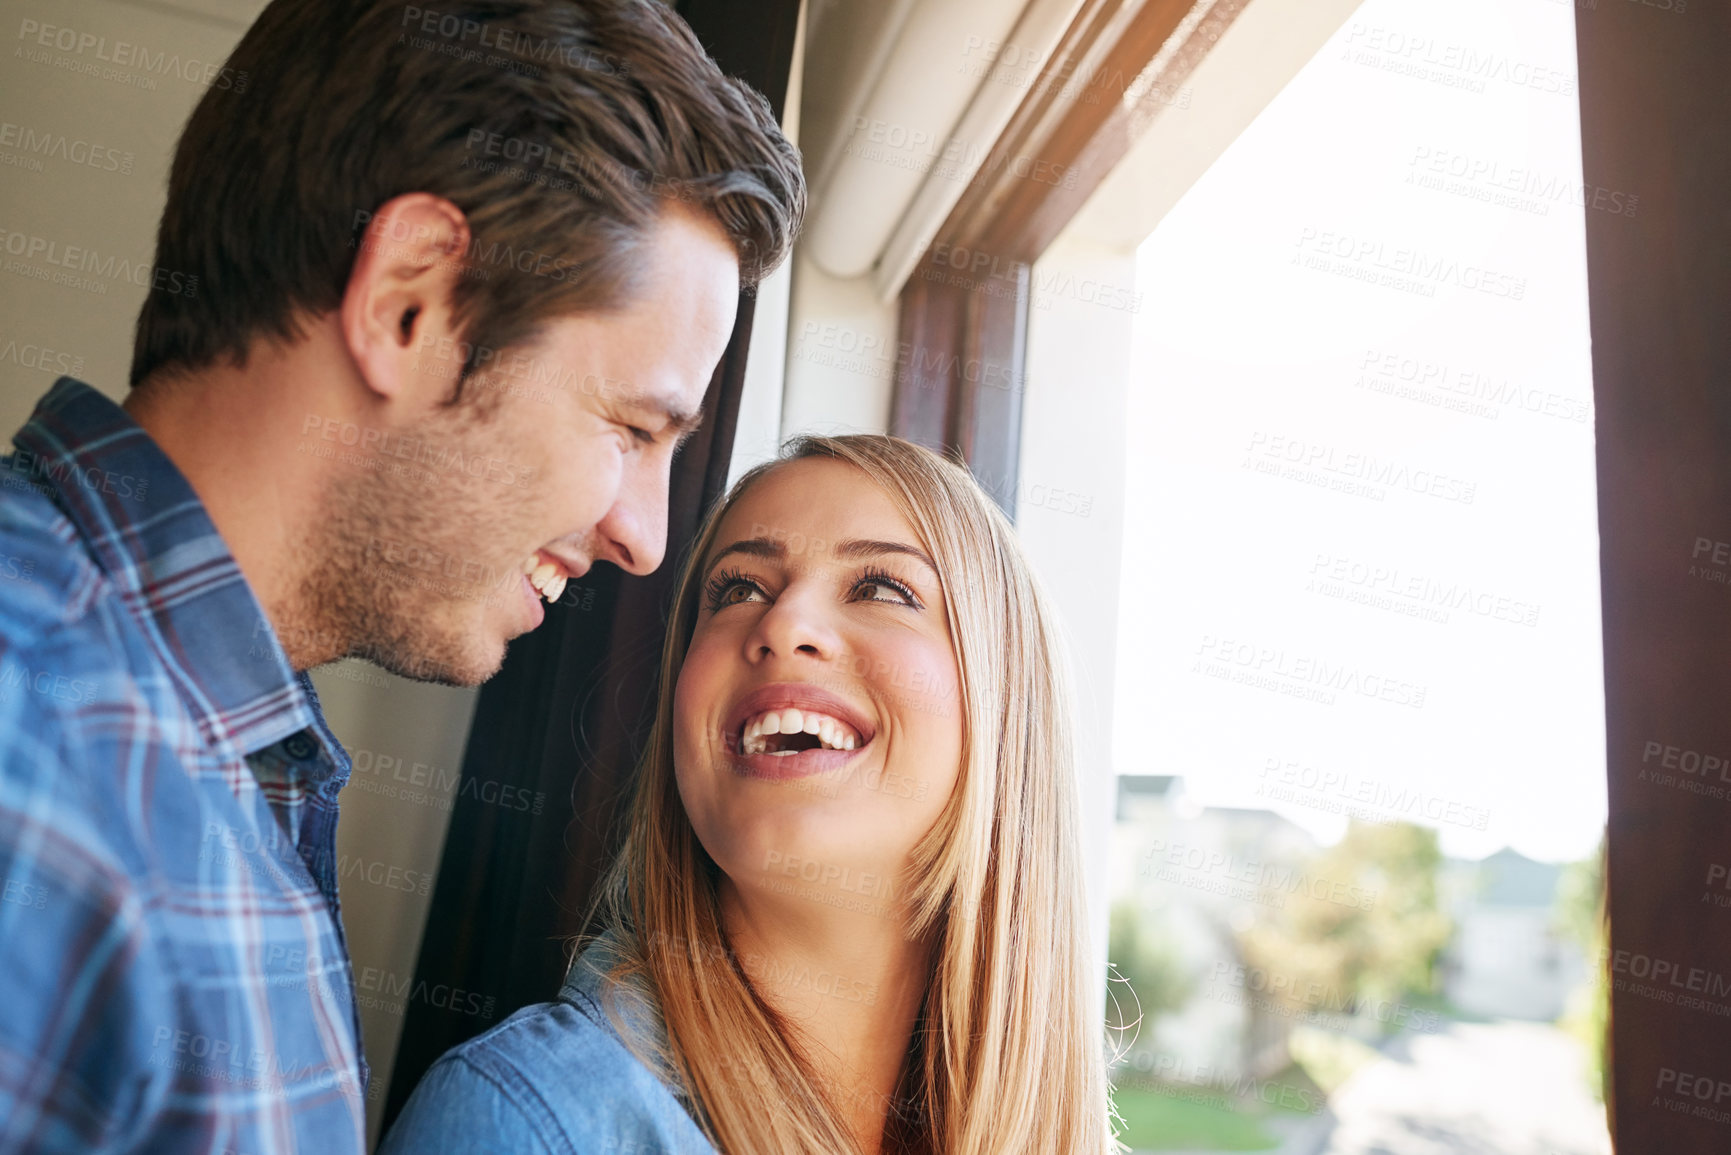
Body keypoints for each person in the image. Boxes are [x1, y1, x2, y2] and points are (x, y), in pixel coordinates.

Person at [0, 0, 803, 1149]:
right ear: (409, 299)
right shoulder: (30, 739)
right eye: (632, 429)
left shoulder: (213, 752)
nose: (646, 538)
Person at [383, 435, 1118, 1154]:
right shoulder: (523, 1120)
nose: (782, 622)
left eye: (882, 587)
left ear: (1005, 706)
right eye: (737, 589)